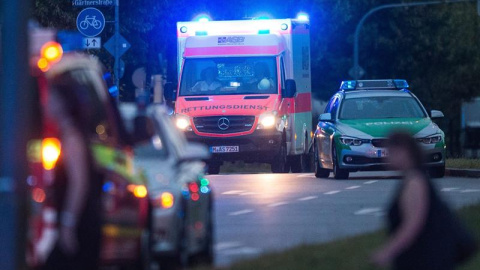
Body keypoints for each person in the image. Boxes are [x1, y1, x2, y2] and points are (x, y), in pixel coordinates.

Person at [371, 131, 477, 270]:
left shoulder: (415, 181)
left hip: (426, 259)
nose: (387, 156)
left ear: (404, 151)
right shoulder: (414, 177)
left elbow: (413, 223)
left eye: (391, 151)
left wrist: (387, 252)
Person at [42, 58, 103, 270]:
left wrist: (68, 223)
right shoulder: (73, 135)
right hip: (81, 222)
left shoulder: (72, 139)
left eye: (51, 98)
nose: (46, 103)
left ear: (63, 103)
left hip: (79, 224)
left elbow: (79, 183)